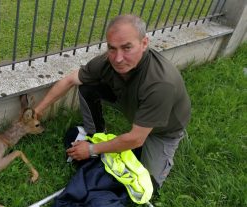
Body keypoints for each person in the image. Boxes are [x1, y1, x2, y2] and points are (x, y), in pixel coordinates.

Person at [34, 14, 191, 189]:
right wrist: (37, 112)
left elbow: (136, 139)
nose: (118, 58)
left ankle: (102, 145)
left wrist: (91, 150)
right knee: (87, 86)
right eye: (112, 48)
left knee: (146, 185)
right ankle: (96, 133)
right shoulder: (107, 62)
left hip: (162, 131)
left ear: (144, 43)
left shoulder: (160, 83)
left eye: (127, 48)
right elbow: (70, 80)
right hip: (130, 102)